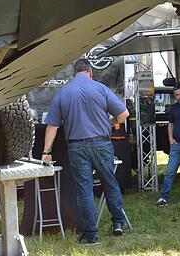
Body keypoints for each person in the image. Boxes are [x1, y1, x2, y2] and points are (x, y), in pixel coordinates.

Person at [41, 59, 130, 245]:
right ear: (91, 72)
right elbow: (124, 114)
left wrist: (46, 152)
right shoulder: (101, 88)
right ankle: (118, 224)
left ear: (74, 73)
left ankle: (91, 234)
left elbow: (52, 126)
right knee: (110, 184)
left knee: (84, 189)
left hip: (76, 147)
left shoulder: (63, 92)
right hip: (102, 144)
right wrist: (111, 123)